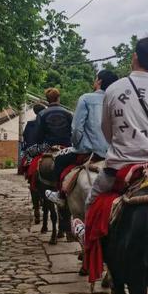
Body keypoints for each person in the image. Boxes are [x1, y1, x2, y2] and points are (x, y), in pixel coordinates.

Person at [85, 36, 148, 208]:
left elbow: (107, 132)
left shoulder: (113, 90)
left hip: (119, 168)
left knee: (90, 204)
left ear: (135, 56)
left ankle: (86, 232)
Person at [45, 69, 119, 205]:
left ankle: (60, 195)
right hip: (115, 153)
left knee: (60, 159)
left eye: (96, 78)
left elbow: (77, 128)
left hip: (90, 151)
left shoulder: (86, 98)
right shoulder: (118, 101)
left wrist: (77, 145)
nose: (94, 81)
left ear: (99, 82)